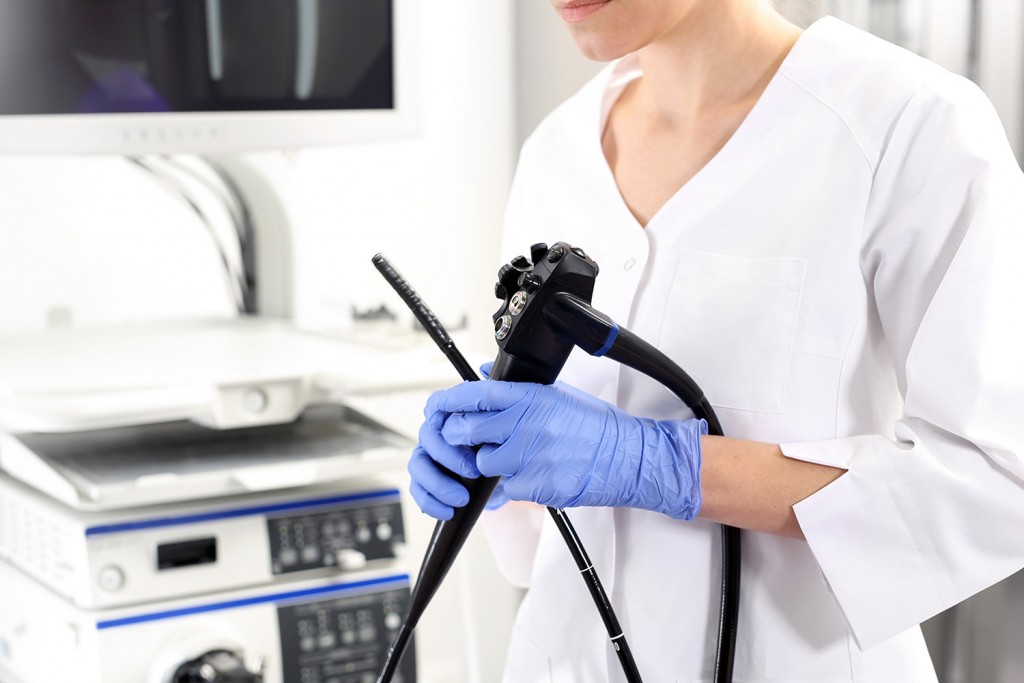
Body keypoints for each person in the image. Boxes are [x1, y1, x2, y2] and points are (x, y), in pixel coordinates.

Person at [409, 0, 1024, 680]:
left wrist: (664, 464)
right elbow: (537, 527)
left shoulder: (907, 125)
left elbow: (997, 477)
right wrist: (493, 457)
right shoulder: (556, 152)